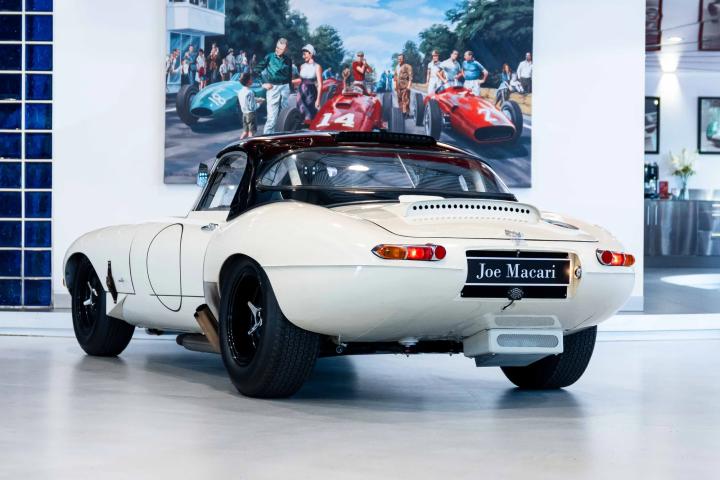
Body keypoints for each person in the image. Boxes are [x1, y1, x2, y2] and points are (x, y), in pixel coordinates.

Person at [254, 38, 293, 134]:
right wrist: (263, 83)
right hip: (273, 88)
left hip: (285, 88)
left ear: (285, 49)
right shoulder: (269, 57)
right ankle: (267, 139)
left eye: (281, 49)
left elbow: (289, 76)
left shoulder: (288, 60)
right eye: (277, 47)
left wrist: (290, 88)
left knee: (285, 117)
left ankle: (283, 137)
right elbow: (256, 70)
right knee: (271, 118)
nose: (278, 50)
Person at [295, 44, 323, 122]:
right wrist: (290, 81)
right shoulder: (302, 66)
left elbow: (320, 84)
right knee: (300, 112)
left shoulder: (317, 67)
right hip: (301, 91)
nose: (303, 57)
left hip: (311, 91)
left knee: (310, 114)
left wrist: (318, 100)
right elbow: (301, 80)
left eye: (305, 54)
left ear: (311, 54)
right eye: (303, 55)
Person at [238, 72, 264, 139]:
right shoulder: (250, 92)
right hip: (251, 115)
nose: (252, 80)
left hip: (244, 114)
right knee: (251, 133)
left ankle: (239, 142)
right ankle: (250, 144)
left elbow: (246, 100)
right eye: (251, 79)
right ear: (249, 81)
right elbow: (252, 107)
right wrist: (260, 103)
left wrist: (257, 99)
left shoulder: (240, 92)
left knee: (245, 132)